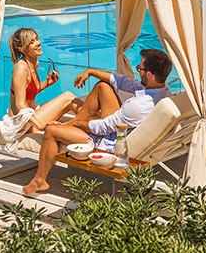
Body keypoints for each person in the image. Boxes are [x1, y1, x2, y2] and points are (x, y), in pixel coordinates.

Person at [22, 48, 172, 195]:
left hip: (107, 144)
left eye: (140, 69)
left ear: (150, 75)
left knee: (51, 130)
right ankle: (70, 125)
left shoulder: (137, 107)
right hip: (115, 130)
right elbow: (124, 81)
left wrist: (76, 123)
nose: (138, 72)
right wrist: (91, 71)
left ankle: (40, 180)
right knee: (103, 86)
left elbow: (101, 127)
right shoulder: (163, 90)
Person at [1, 28, 82, 153]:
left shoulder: (35, 62)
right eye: (32, 42)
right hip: (22, 123)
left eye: (37, 39)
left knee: (68, 100)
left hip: (31, 116)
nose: (38, 43)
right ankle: (98, 122)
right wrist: (40, 125)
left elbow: (30, 91)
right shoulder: (21, 68)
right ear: (22, 49)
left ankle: (95, 121)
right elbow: (20, 104)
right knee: (68, 97)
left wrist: (47, 83)